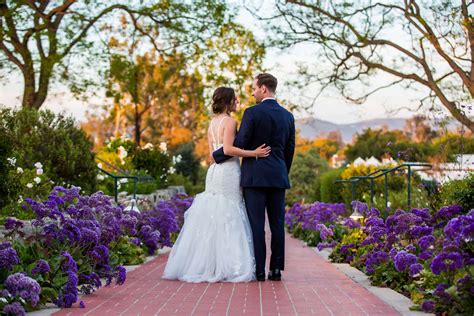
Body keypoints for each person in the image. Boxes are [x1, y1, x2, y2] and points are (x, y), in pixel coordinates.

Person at [162, 87, 270, 282]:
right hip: (228, 171)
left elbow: (213, 152)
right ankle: (228, 265)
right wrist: (254, 153)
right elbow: (228, 149)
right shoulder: (229, 121)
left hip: (213, 172)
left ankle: (209, 263)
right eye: (235, 99)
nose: (238, 101)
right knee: (229, 214)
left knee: (214, 214)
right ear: (228, 102)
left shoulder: (212, 123)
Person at [213, 73, 295, 281]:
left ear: (264, 89)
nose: (252, 92)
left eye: (254, 88)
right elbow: (289, 150)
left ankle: (259, 270)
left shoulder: (252, 113)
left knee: (256, 225)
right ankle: (275, 270)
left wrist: (216, 155)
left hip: (254, 179)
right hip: (277, 177)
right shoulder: (288, 116)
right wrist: (281, 171)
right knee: (277, 224)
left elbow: (240, 142)